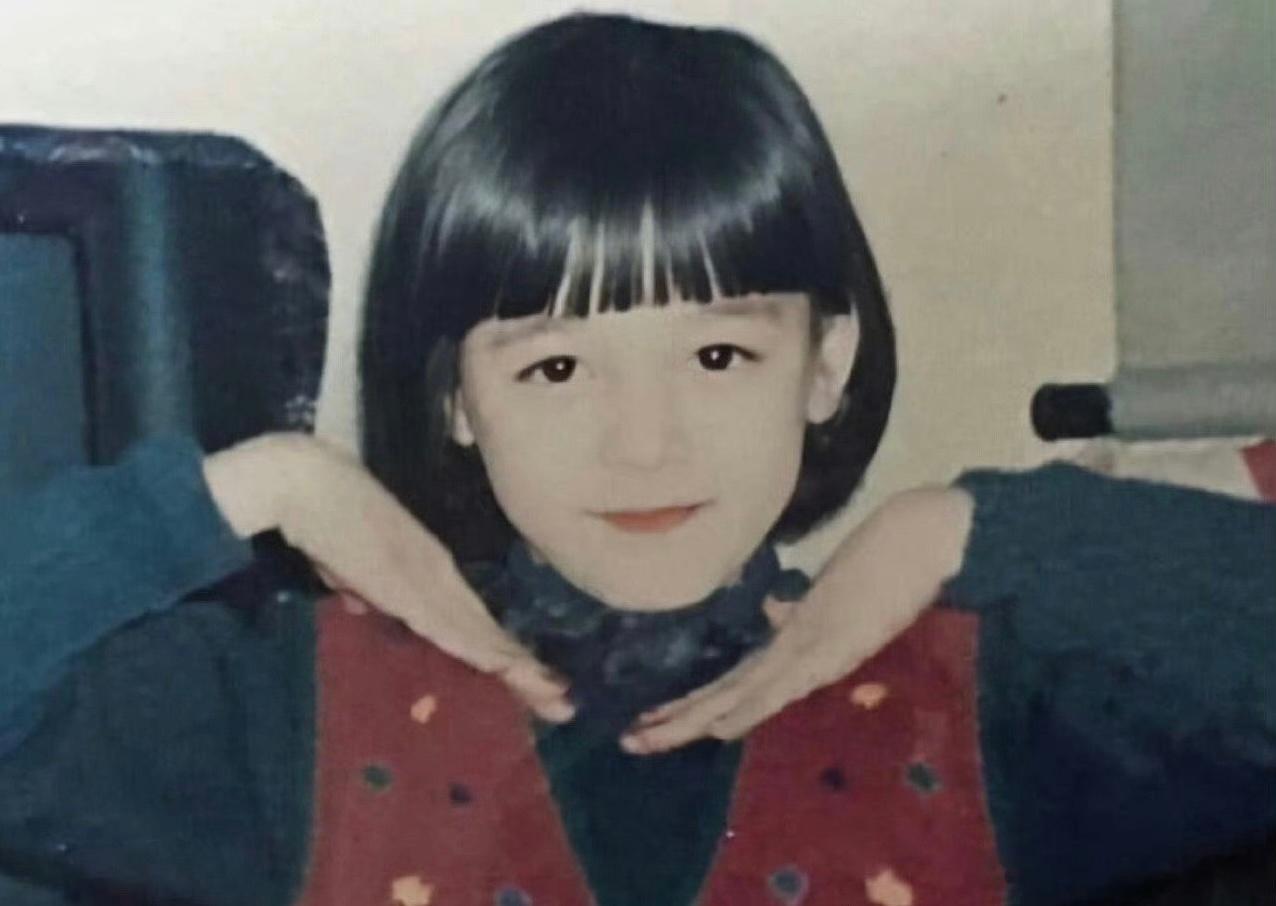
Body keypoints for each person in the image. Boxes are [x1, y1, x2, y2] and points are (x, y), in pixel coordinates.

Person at [1, 12, 1274, 906]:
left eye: (717, 355)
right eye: (556, 369)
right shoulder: (287, 718)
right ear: (455, 399)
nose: (645, 442)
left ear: (823, 364)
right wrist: (260, 483)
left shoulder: (997, 707)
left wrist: (977, 528)